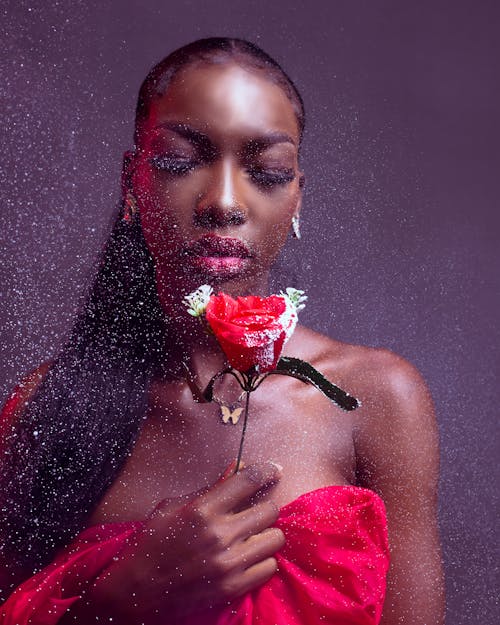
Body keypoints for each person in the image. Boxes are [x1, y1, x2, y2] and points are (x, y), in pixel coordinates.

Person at [0, 38, 444, 624]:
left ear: (296, 199)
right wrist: (122, 598)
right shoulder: (47, 410)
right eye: (181, 163)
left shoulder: (377, 397)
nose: (225, 202)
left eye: (268, 172)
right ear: (133, 183)